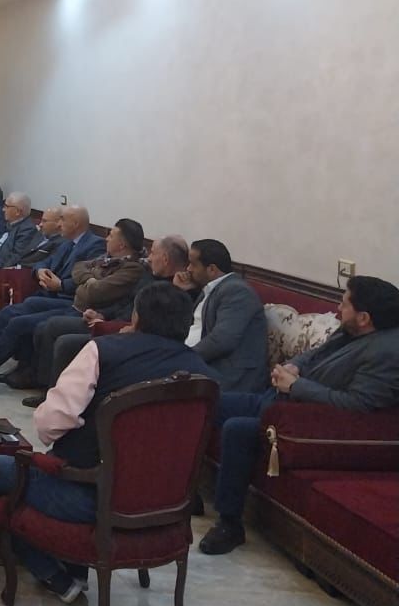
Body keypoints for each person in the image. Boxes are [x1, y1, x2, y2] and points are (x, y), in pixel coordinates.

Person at [0, 282, 219, 604]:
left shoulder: (102, 352)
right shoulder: (204, 376)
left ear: (137, 316)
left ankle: (53, 573)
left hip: (88, 501)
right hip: (166, 510)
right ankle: (74, 570)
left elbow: (51, 424)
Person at [200, 275, 399, 556]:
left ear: (364, 317)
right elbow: (314, 355)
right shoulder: (351, 331)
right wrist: (293, 366)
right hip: (276, 402)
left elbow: (357, 404)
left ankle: (229, 523)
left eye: (344, 304)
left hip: (304, 421)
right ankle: (183, 491)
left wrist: (296, 386)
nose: (338, 308)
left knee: (237, 429)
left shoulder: (386, 353)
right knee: (205, 402)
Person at [0, 205, 104, 390]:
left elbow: (90, 281)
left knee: (19, 322)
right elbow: (43, 263)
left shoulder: (95, 245)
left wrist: (61, 285)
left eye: (63, 220)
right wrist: (40, 271)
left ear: (76, 223)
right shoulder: (67, 243)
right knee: (11, 311)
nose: (59, 224)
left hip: (71, 301)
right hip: (50, 295)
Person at [29, 234, 191, 406]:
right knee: (53, 325)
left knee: (66, 343)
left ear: (165, 259)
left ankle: (59, 401)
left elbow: (151, 324)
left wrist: (108, 325)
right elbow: (125, 303)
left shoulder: (177, 290)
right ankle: (46, 387)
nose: (149, 258)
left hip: (128, 332)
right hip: (111, 321)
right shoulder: (147, 274)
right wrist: (102, 315)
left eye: (153, 253)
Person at [0, 218, 148, 391]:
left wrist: (89, 279)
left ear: (121, 245)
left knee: (27, 323)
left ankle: (4, 370)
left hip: (89, 313)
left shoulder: (132, 268)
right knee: (25, 307)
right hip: (75, 304)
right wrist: (91, 278)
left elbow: (95, 291)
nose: (106, 238)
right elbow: (78, 268)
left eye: (111, 236)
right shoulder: (107, 258)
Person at [185, 239, 269, 393]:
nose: (188, 269)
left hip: (230, 375)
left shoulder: (236, 291)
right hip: (203, 363)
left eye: (193, 264)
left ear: (211, 269)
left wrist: (184, 357)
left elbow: (221, 341)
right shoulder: (211, 288)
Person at [0, 205, 63, 324]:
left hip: (26, 276)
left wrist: (14, 268)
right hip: (13, 270)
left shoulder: (60, 243)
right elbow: (21, 254)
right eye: (41, 220)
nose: (40, 224)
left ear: (59, 223)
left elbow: (46, 265)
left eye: (45, 221)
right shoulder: (40, 234)